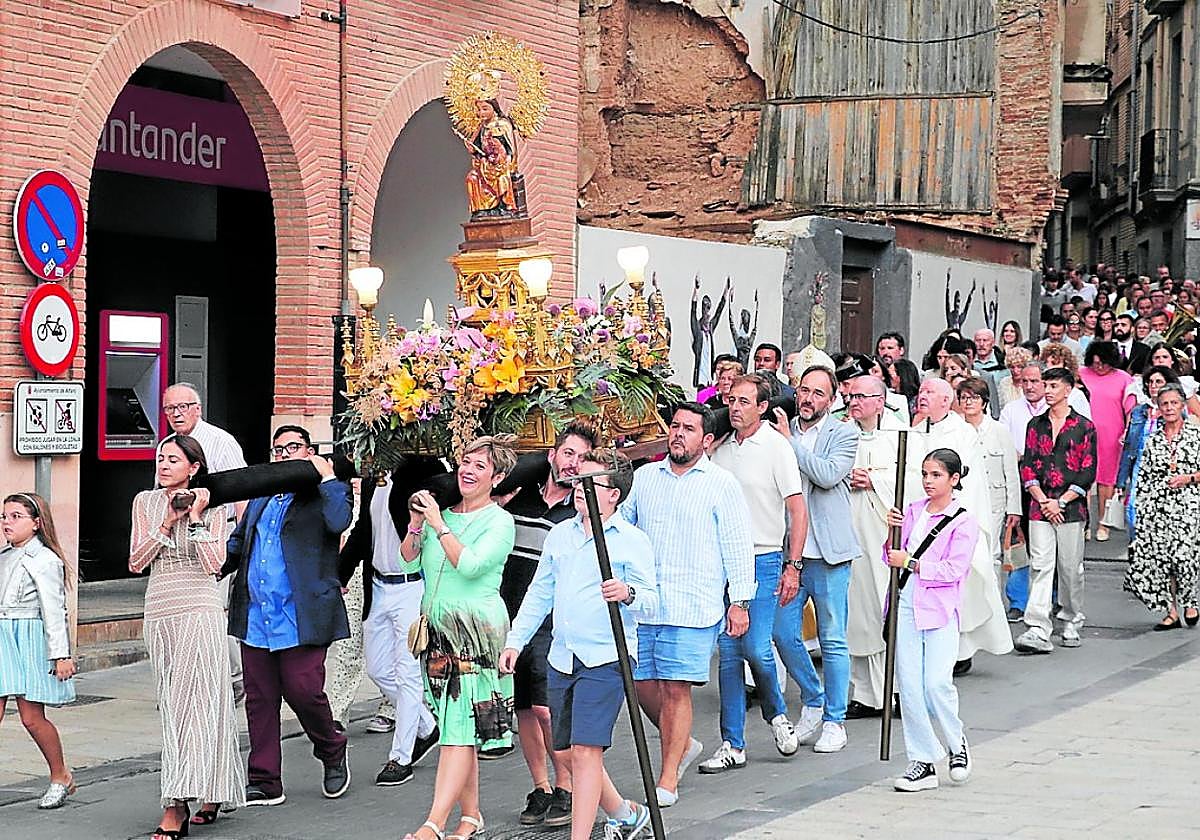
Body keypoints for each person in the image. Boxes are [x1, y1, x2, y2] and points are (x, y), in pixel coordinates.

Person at [501, 451, 658, 840]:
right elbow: (540, 593)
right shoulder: (561, 535)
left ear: (613, 495)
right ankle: (624, 812)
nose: (579, 491)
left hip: (605, 657)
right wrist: (515, 641)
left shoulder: (631, 541)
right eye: (577, 483)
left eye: (591, 484)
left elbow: (654, 601)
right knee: (568, 752)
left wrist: (628, 592)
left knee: (587, 752)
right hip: (563, 656)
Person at [621, 402, 754, 807]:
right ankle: (684, 744)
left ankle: (667, 777)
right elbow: (621, 527)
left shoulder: (721, 483)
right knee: (639, 684)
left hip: (693, 604)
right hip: (643, 604)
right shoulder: (644, 478)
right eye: (675, 427)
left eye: (689, 429)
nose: (678, 434)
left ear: (707, 440)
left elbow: (737, 543)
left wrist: (740, 601)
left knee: (676, 688)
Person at [221, 426, 353, 809]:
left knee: (303, 690)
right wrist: (216, 564)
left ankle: (331, 746)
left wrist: (326, 476)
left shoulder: (327, 492)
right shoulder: (263, 493)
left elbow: (339, 522)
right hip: (257, 612)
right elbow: (241, 540)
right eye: (277, 449)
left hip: (302, 611)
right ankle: (265, 780)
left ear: (309, 451)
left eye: (292, 447)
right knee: (260, 698)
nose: (283, 454)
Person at [401, 436, 518, 840]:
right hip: (436, 633)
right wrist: (418, 524)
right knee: (457, 725)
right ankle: (471, 816)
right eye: (465, 462)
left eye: (479, 467)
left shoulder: (500, 522)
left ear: (497, 478)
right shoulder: (443, 514)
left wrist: (437, 524)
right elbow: (409, 557)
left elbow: (469, 566)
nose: (468, 471)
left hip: (475, 635)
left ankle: (433, 824)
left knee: (456, 728)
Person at [130, 434, 244, 838]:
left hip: (200, 608)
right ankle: (204, 787)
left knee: (200, 701)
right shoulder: (144, 502)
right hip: (160, 609)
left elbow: (215, 564)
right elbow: (136, 561)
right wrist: (167, 522)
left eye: (173, 460)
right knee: (173, 703)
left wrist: (195, 517)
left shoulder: (211, 504)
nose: (163, 465)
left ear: (193, 468)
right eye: (160, 458)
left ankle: (178, 801)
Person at [702, 375, 805, 772]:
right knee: (728, 653)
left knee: (756, 647)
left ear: (762, 406)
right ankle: (732, 743)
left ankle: (777, 714)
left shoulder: (776, 447)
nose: (736, 407)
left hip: (762, 556)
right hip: (725, 560)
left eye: (745, 401)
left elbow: (796, 509)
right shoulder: (721, 449)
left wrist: (792, 564)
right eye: (731, 400)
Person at [500, 423, 600, 827]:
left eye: (580, 457)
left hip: (552, 622)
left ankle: (568, 786)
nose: (572, 463)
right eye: (568, 453)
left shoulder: (578, 512)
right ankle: (540, 786)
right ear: (552, 455)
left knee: (546, 709)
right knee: (524, 707)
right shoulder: (519, 496)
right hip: (511, 616)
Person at [768, 366, 861, 753]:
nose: (808, 399)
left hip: (829, 551)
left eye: (818, 394)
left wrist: (789, 442)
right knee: (781, 631)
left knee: (833, 638)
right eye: (804, 391)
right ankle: (813, 698)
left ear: (832, 399)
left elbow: (826, 475)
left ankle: (835, 720)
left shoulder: (845, 432)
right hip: (790, 551)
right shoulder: (779, 426)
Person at [340, 457, 442, 788]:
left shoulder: (419, 471)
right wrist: (340, 571)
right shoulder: (374, 480)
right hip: (379, 586)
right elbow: (364, 532)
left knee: (409, 672)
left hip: (413, 586)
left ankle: (401, 757)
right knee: (379, 669)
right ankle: (426, 726)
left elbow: (435, 478)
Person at [884, 449, 980, 792]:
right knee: (908, 686)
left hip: (940, 609)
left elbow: (954, 569)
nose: (928, 481)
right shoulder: (911, 511)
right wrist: (891, 534)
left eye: (936, 475)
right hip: (907, 604)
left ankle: (957, 743)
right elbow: (891, 555)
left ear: (954, 479)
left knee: (936, 683)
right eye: (925, 474)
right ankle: (922, 760)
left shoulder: (963, 521)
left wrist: (911, 562)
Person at [911, 379, 1014, 670]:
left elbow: (970, 482)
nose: (923, 396)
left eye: (930, 392)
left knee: (961, 586)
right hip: (921, 520)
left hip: (955, 521)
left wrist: (951, 516)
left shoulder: (963, 433)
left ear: (946, 400)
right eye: (921, 392)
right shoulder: (914, 431)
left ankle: (961, 650)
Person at [160, 382, 248, 704]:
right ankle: (188, 681)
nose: (176, 414)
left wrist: (242, 540)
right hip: (177, 540)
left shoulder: (221, 442)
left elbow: (241, 493)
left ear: (197, 408)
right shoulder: (170, 444)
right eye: (170, 408)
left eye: (183, 407)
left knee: (212, 610)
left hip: (216, 534)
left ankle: (234, 678)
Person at [844, 376, 920, 717]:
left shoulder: (902, 434)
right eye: (851, 395)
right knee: (858, 613)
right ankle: (866, 693)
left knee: (889, 612)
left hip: (887, 534)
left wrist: (874, 479)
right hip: (853, 532)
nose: (853, 401)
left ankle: (901, 690)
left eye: (861, 396)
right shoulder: (842, 431)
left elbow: (918, 479)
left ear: (880, 400)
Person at [0, 492, 77, 810]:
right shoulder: (4, 556)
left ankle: (61, 776)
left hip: (29, 638)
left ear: (36, 523)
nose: (7, 522)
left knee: (32, 718)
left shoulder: (45, 560)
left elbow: (54, 610)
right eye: (4, 516)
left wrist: (61, 654)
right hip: (3, 635)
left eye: (16, 516)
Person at [1015, 368, 1097, 654]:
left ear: (1068, 389)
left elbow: (1088, 471)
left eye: (1053, 385)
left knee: (1070, 568)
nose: (1047, 390)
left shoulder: (1084, 426)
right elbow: (1028, 465)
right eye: (1044, 385)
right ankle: (1037, 627)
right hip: (1039, 506)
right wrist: (1042, 499)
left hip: (1071, 508)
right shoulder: (1035, 425)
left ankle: (1071, 617)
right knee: (1040, 565)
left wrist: (1060, 502)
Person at [1123, 384, 1200, 630]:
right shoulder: (1153, 439)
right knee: (1161, 559)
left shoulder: (1195, 435)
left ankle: (1191, 600)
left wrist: (1188, 478)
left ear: (1182, 405)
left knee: (1185, 555)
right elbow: (1143, 475)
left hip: (1188, 502)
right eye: (1164, 404)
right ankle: (1171, 611)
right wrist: (1140, 509)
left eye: (1173, 403)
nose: (1169, 408)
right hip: (1156, 505)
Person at [955, 379, 1021, 566]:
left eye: (974, 397)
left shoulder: (999, 431)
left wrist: (1014, 509)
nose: (968, 402)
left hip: (995, 501)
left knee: (990, 553)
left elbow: (1011, 471)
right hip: (964, 498)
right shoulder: (956, 430)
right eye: (964, 397)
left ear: (984, 402)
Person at [1078, 342, 1134, 542]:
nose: (1098, 367)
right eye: (1094, 363)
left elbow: (1130, 409)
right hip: (1081, 434)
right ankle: (1083, 524)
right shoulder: (1081, 374)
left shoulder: (1124, 379)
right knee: (1081, 479)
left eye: (1103, 363)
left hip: (1112, 436)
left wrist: (1127, 432)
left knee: (1107, 481)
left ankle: (1104, 523)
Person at [1118, 366, 1178, 540]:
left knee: (1162, 516)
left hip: (1164, 468)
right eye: (1150, 382)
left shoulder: (1175, 412)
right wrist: (1120, 482)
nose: (1153, 386)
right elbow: (1128, 446)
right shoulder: (1139, 411)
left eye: (1158, 382)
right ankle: (1137, 552)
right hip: (1139, 466)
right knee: (1133, 512)